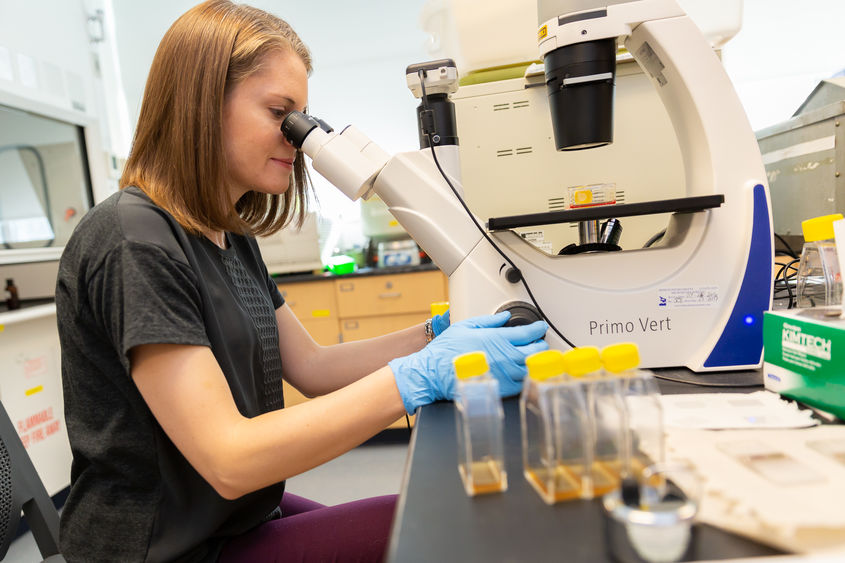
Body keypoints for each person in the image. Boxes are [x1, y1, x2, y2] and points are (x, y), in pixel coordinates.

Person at [55, 1, 549, 561]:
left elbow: (312, 369)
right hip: (163, 545)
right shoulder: (134, 241)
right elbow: (231, 458)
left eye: (303, 113)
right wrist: (417, 378)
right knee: (440, 523)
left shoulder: (227, 234)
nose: (299, 135)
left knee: (426, 507)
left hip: (229, 516)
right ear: (201, 105)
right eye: (279, 111)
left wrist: (437, 336)